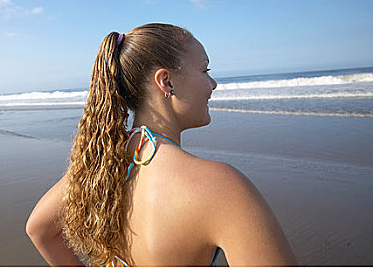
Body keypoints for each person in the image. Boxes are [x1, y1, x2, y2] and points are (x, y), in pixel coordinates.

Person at [25, 23, 297, 266]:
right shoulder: (221, 187)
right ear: (166, 81)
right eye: (205, 70)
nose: (213, 83)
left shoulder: (103, 164)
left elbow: (39, 230)